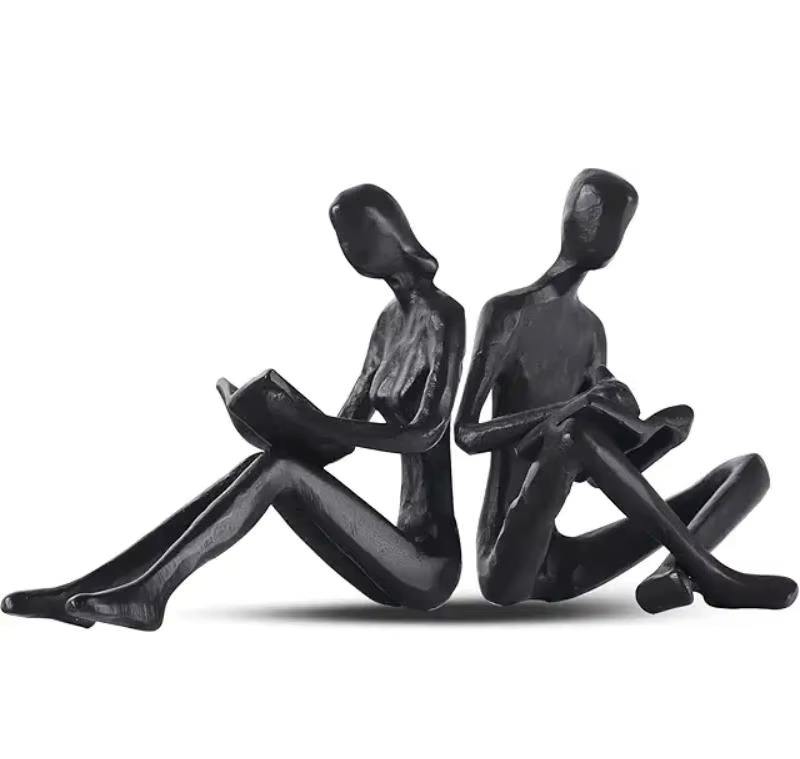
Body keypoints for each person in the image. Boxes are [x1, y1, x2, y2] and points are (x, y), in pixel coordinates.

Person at [3, 184, 465, 630]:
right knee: (266, 462)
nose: (350, 249)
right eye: (342, 239)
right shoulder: (387, 323)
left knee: (281, 469)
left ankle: (151, 593)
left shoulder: (444, 315)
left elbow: (425, 433)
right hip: (383, 556)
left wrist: (309, 422)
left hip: (428, 567)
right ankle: (86, 591)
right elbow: (339, 441)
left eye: (358, 235)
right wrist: (268, 420)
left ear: (393, 232)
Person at [454, 168, 797, 613]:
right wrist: (576, 405)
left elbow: (598, 471)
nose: (605, 232)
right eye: (595, 213)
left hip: (562, 564)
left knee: (749, 470)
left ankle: (673, 572)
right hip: (506, 560)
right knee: (572, 433)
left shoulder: (591, 332)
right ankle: (711, 576)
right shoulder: (508, 313)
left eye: (618, 223)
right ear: (568, 217)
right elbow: (467, 434)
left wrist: (654, 436)